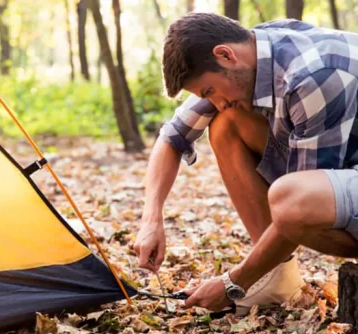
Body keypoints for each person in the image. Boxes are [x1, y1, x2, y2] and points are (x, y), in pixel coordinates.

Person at [134, 12, 358, 313]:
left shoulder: (314, 75)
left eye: (209, 91)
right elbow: (172, 138)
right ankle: (275, 276)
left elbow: (300, 203)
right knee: (226, 122)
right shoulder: (253, 51)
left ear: (225, 55)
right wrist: (151, 221)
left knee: (291, 199)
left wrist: (232, 283)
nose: (213, 101)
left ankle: (257, 275)